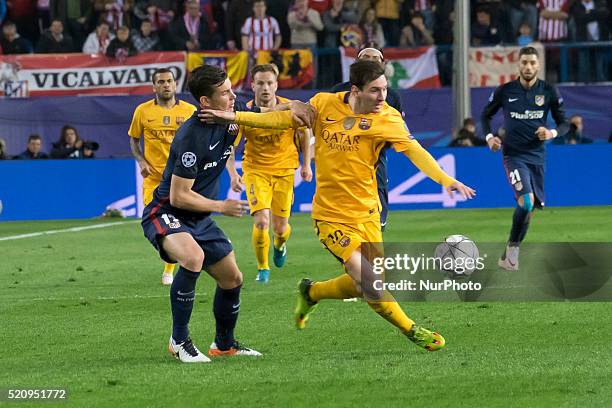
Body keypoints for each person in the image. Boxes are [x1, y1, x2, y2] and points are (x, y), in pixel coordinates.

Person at [202, 60, 475, 352]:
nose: (382, 97)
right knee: (370, 282)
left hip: (367, 213)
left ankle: (312, 292)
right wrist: (232, 116)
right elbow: (279, 121)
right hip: (331, 216)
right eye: (375, 90)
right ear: (355, 90)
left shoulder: (389, 119)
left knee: (363, 284)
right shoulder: (324, 104)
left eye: (384, 89)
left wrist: (446, 179)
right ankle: (412, 330)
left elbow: (416, 152)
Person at [140, 64, 315, 363]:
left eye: (232, 89)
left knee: (233, 279)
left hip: (199, 219)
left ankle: (224, 344)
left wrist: (294, 105)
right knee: (192, 258)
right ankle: (179, 340)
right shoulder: (190, 137)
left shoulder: (231, 121)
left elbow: (265, 112)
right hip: (165, 211)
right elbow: (178, 196)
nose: (234, 97)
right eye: (225, 93)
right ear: (205, 102)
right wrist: (222, 205)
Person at [481, 46, 567, 271]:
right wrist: (490, 137)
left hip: (537, 157)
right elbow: (485, 115)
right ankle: (512, 253)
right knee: (526, 201)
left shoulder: (548, 91)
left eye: (532, 63)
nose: (528, 67)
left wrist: (551, 133)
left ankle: (509, 254)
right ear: (518, 65)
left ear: (538, 66)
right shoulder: (505, 91)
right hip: (513, 155)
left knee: (528, 209)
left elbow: (565, 124)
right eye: (524, 63)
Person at [226, 64, 312, 284]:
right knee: (262, 221)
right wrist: (233, 175)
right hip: (256, 171)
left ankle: (280, 244)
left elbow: (305, 133)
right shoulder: (244, 112)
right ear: (252, 85)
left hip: (284, 171)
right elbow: (229, 147)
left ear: (276, 85)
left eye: (269, 83)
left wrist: (306, 164)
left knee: (280, 229)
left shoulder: (288, 109)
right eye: (260, 83)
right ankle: (263, 268)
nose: (265, 88)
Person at [129, 68, 196, 286]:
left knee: (177, 222)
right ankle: (172, 254)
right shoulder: (143, 111)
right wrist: (141, 160)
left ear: (175, 85)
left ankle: (169, 270)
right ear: (154, 86)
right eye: (161, 82)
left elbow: (198, 142)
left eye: (169, 81)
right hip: (154, 179)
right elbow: (134, 139)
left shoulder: (189, 111)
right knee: (156, 223)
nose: (166, 85)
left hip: (180, 179)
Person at [331, 47, 403, 232]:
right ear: (356, 63)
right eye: (366, 58)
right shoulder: (337, 92)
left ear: (383, 64)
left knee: (377, 224)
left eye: (375, 58)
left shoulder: (392, 96)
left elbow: (397, 131)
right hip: (342, 160)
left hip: (374, 161)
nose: (370, 61)